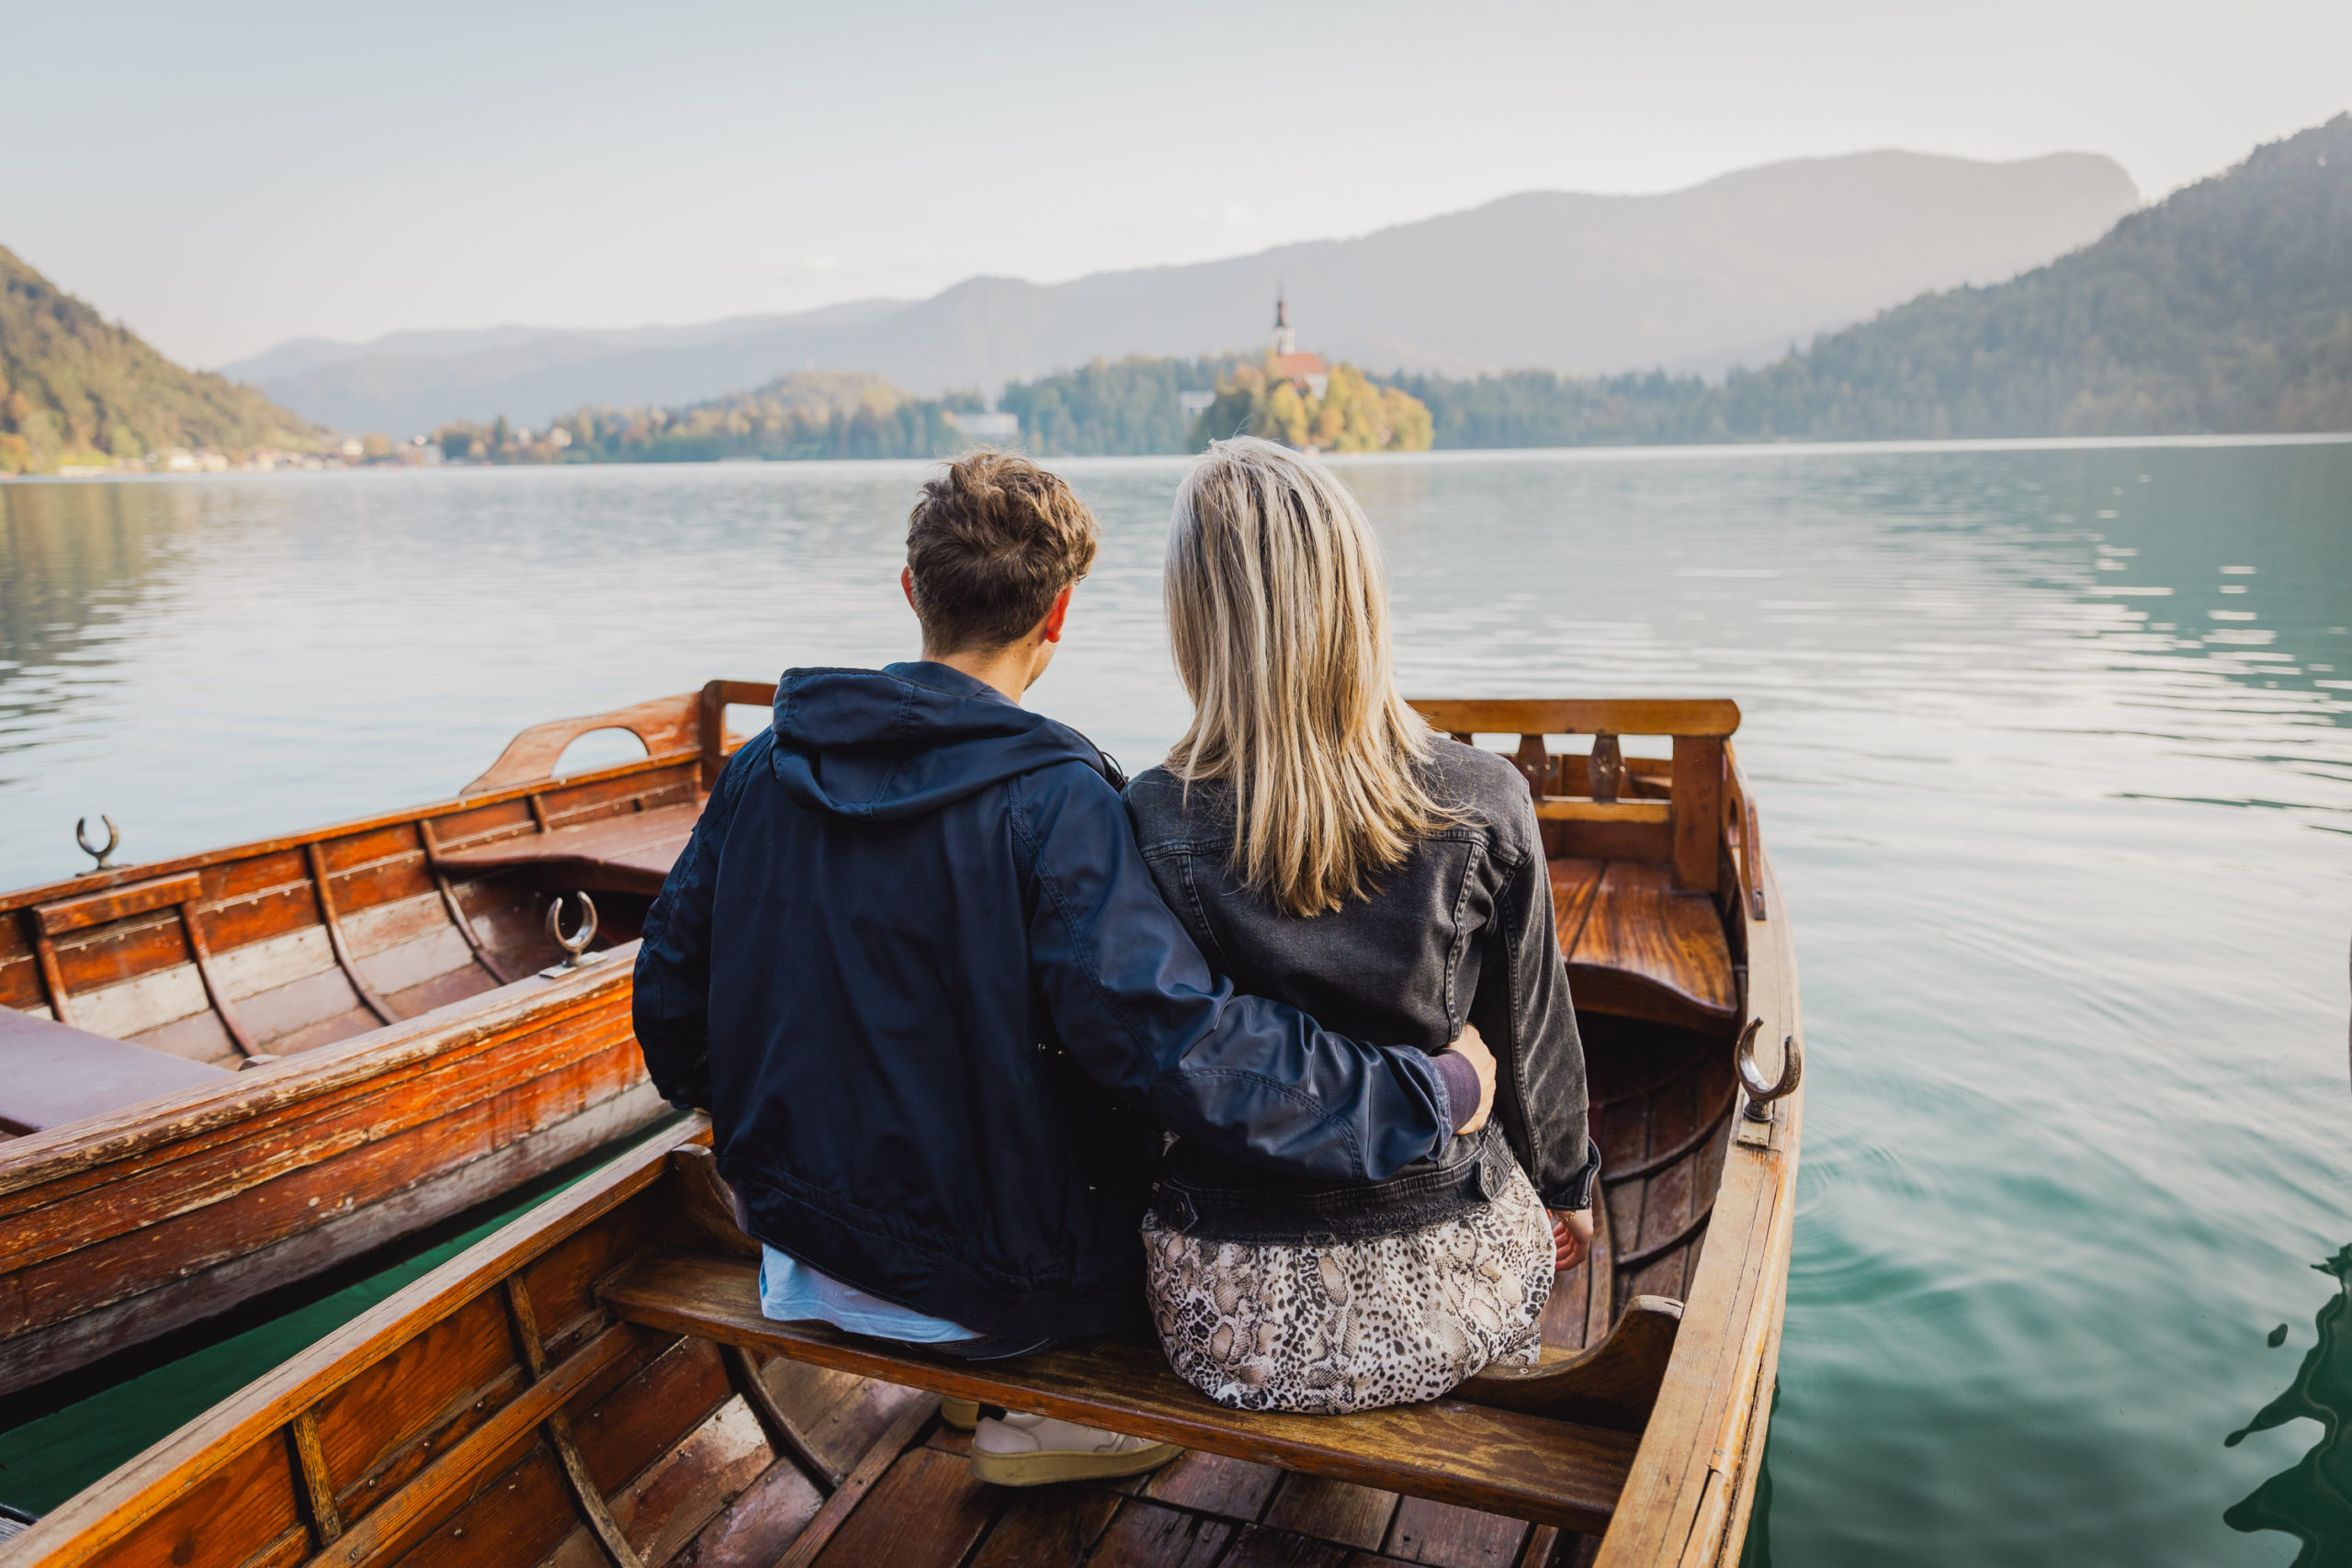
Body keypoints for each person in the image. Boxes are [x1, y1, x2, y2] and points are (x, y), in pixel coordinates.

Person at [633, 449, 1499, 1487]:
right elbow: (1179, 1049)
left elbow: (672, 1009)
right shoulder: (1061, 804)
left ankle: (963, 1384)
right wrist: (1429, 1087)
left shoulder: (764, 769)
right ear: (1057, 618)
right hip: (1002, 1294)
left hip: (794, 1255)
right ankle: (1057, 1421)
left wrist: (752, 1151)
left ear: (912, 591)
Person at [1123, 436, 1600, 1415]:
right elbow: (1533, 1037)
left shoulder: (1146, 817)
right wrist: (1568, 1190)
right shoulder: (1484, 799)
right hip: (1450, 1300)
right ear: (1359, 600)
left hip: (1223, 1317)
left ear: (1198, 624)